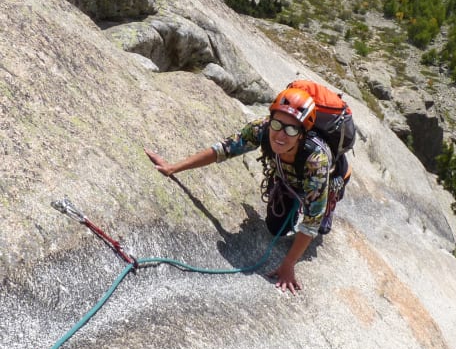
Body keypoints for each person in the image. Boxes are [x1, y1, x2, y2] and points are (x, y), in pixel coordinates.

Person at [144, 86, 347, 295]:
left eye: (291, 130)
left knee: (320, 227)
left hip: (325, 179)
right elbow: (223, 150)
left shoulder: (316, 161)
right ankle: (291, 197)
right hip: (288, 178)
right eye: (277, 124)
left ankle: (329, 200)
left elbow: (311, 222)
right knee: (276, 228)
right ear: (270, 120)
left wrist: (288, 265)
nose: (280, 134)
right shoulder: (262, 129)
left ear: (302, 134)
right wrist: (173, 167)